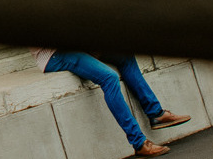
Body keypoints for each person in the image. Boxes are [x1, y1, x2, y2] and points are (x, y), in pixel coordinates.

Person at [33, 51, 190, 156]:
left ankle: (156, 114)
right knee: (109, 78)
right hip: (54, 55)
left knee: (125, 55)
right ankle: (139, 142)